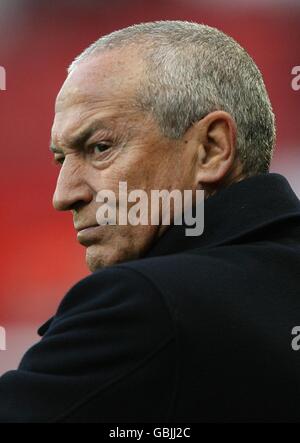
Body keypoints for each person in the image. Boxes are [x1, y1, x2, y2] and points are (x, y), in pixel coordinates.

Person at [0, 21, 299, 423]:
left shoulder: (143, 306)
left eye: (100, 147)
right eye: (61, 159)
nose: (64, 195)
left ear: (211, 148)